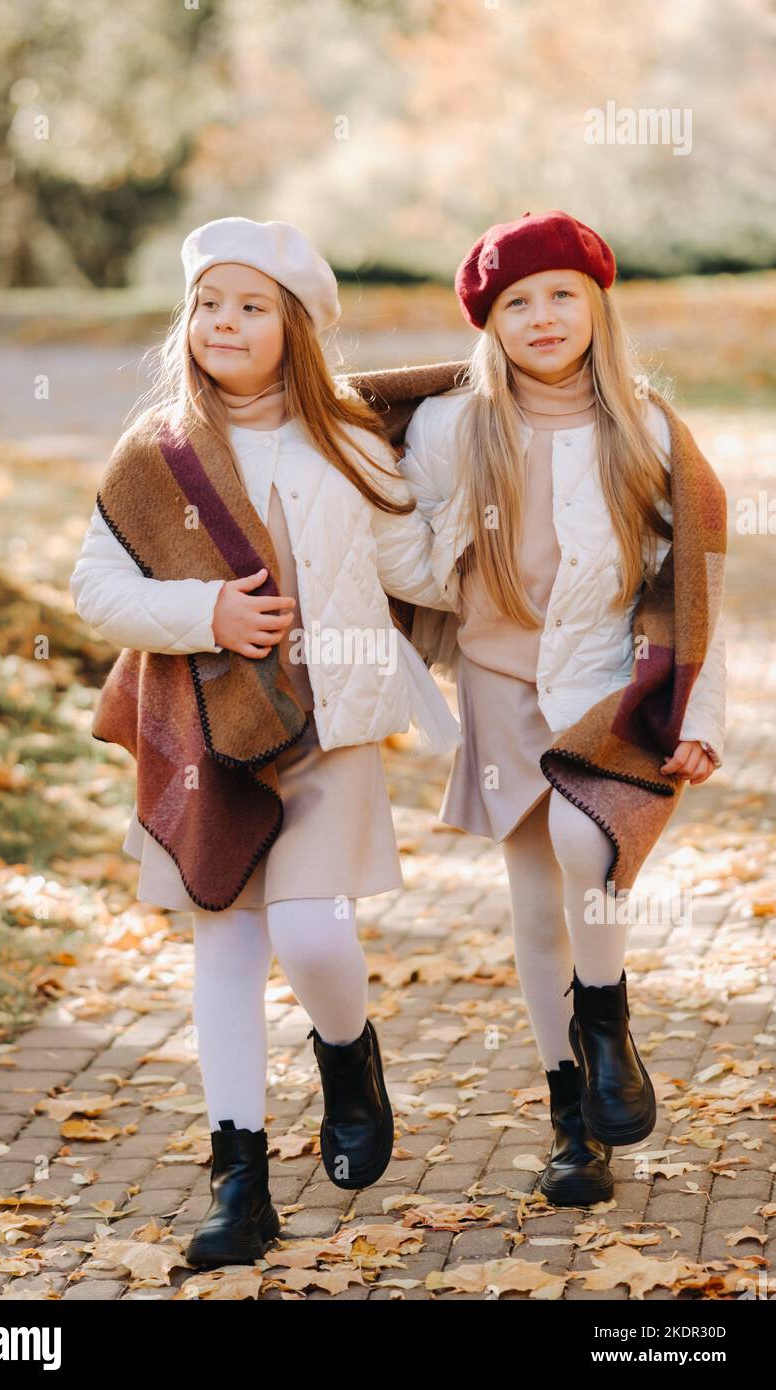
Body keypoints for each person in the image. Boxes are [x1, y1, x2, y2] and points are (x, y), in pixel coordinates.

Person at [68, 217, 461, 1267]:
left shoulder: (347, 439)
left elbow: (417, 567)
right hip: (203, 733)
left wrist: (489, 499)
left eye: (250, 306)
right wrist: (207, 615)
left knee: (316, 935)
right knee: (227, 945)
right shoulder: (154, 452)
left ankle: (346, 1053)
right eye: (207, 304)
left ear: (295, 327)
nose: (223, 323)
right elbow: (95, 589)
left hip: (327, 725)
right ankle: (237, 1180)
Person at [392, 210, 727, 1208]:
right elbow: (413, 562)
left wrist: (695, 705)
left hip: (600, 679)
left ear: (595, 305)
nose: (540, 316)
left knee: (592, 851)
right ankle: (569, 1116)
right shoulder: (451, 428)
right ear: (488, 324)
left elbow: (692, 578)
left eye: (559, 295)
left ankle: (607, 1016)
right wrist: (367, 510)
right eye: (514, 302)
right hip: (497, 683)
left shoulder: (645, 427)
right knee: (537, 903)